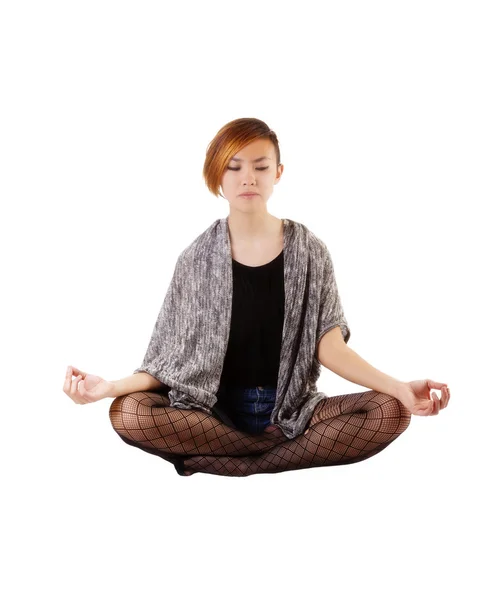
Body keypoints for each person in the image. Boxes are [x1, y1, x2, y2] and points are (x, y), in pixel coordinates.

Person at [63, 117, 450, 477]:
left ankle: (243, 461)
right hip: (213, 414)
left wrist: (398, 387)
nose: (248, 177)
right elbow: (164, 366)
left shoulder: (310, 251)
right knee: (129, 414)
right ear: (217, 175)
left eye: (261, 166)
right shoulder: (195, 260)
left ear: (277, 173)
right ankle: (264, 453)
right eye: (234, 167)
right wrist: (110, 387)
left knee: (390, 411)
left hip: (292, 411)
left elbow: (329, 346)